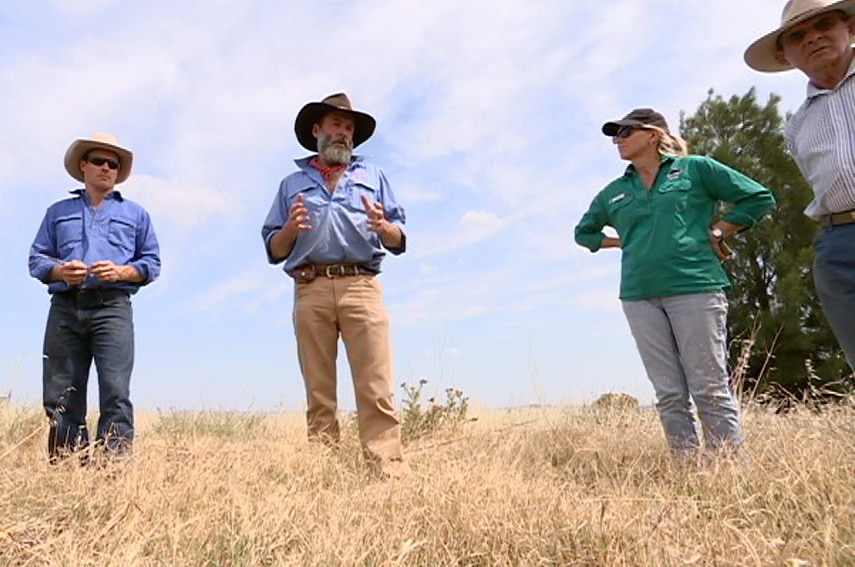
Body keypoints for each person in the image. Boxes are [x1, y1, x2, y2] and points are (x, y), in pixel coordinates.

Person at [574, 109, 776, 457]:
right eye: (615, 135)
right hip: (639, 295)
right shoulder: (614, 192)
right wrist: (624, 242)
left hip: (695, 286)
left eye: (625, 132)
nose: (617, 139)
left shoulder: (696, 169)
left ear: (652, 134)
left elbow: (758, 197)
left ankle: (726, 473)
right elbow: (584, 233)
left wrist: (719, 230)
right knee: (668, 393)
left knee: (708, 387)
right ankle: (687, 472)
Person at [261, 93, 409, 478]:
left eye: (349, 128)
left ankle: (387, 472)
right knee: (320, 391)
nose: (344, 134)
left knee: (376, 387)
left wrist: (384, 228)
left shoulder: (372, 177)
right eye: (336, 126)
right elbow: (274, 248)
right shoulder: (291, 184)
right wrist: (290, 228)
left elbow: (399, 237)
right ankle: (324, 473)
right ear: (317, 131)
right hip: (310, 288)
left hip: (362, 285)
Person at [29, 132, 161, 463]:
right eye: (99, 162)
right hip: (65, 308)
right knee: (61, 394)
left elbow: (151, 263)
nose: (106, 168)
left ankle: (112, 471)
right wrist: (60, 272)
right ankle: (69, 467)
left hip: (113, 308)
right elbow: (37, 259)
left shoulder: (136, 214)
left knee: (116, 391)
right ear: (83, 165)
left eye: (113, 164)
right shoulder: (58, 212)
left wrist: (122, 272)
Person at [745, 0, 855, 370]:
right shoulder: (797, 126)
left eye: (824, 24)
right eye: (798, 35)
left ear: (849, 28)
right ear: (785, 54)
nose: (813, 37)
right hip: (839, 244)